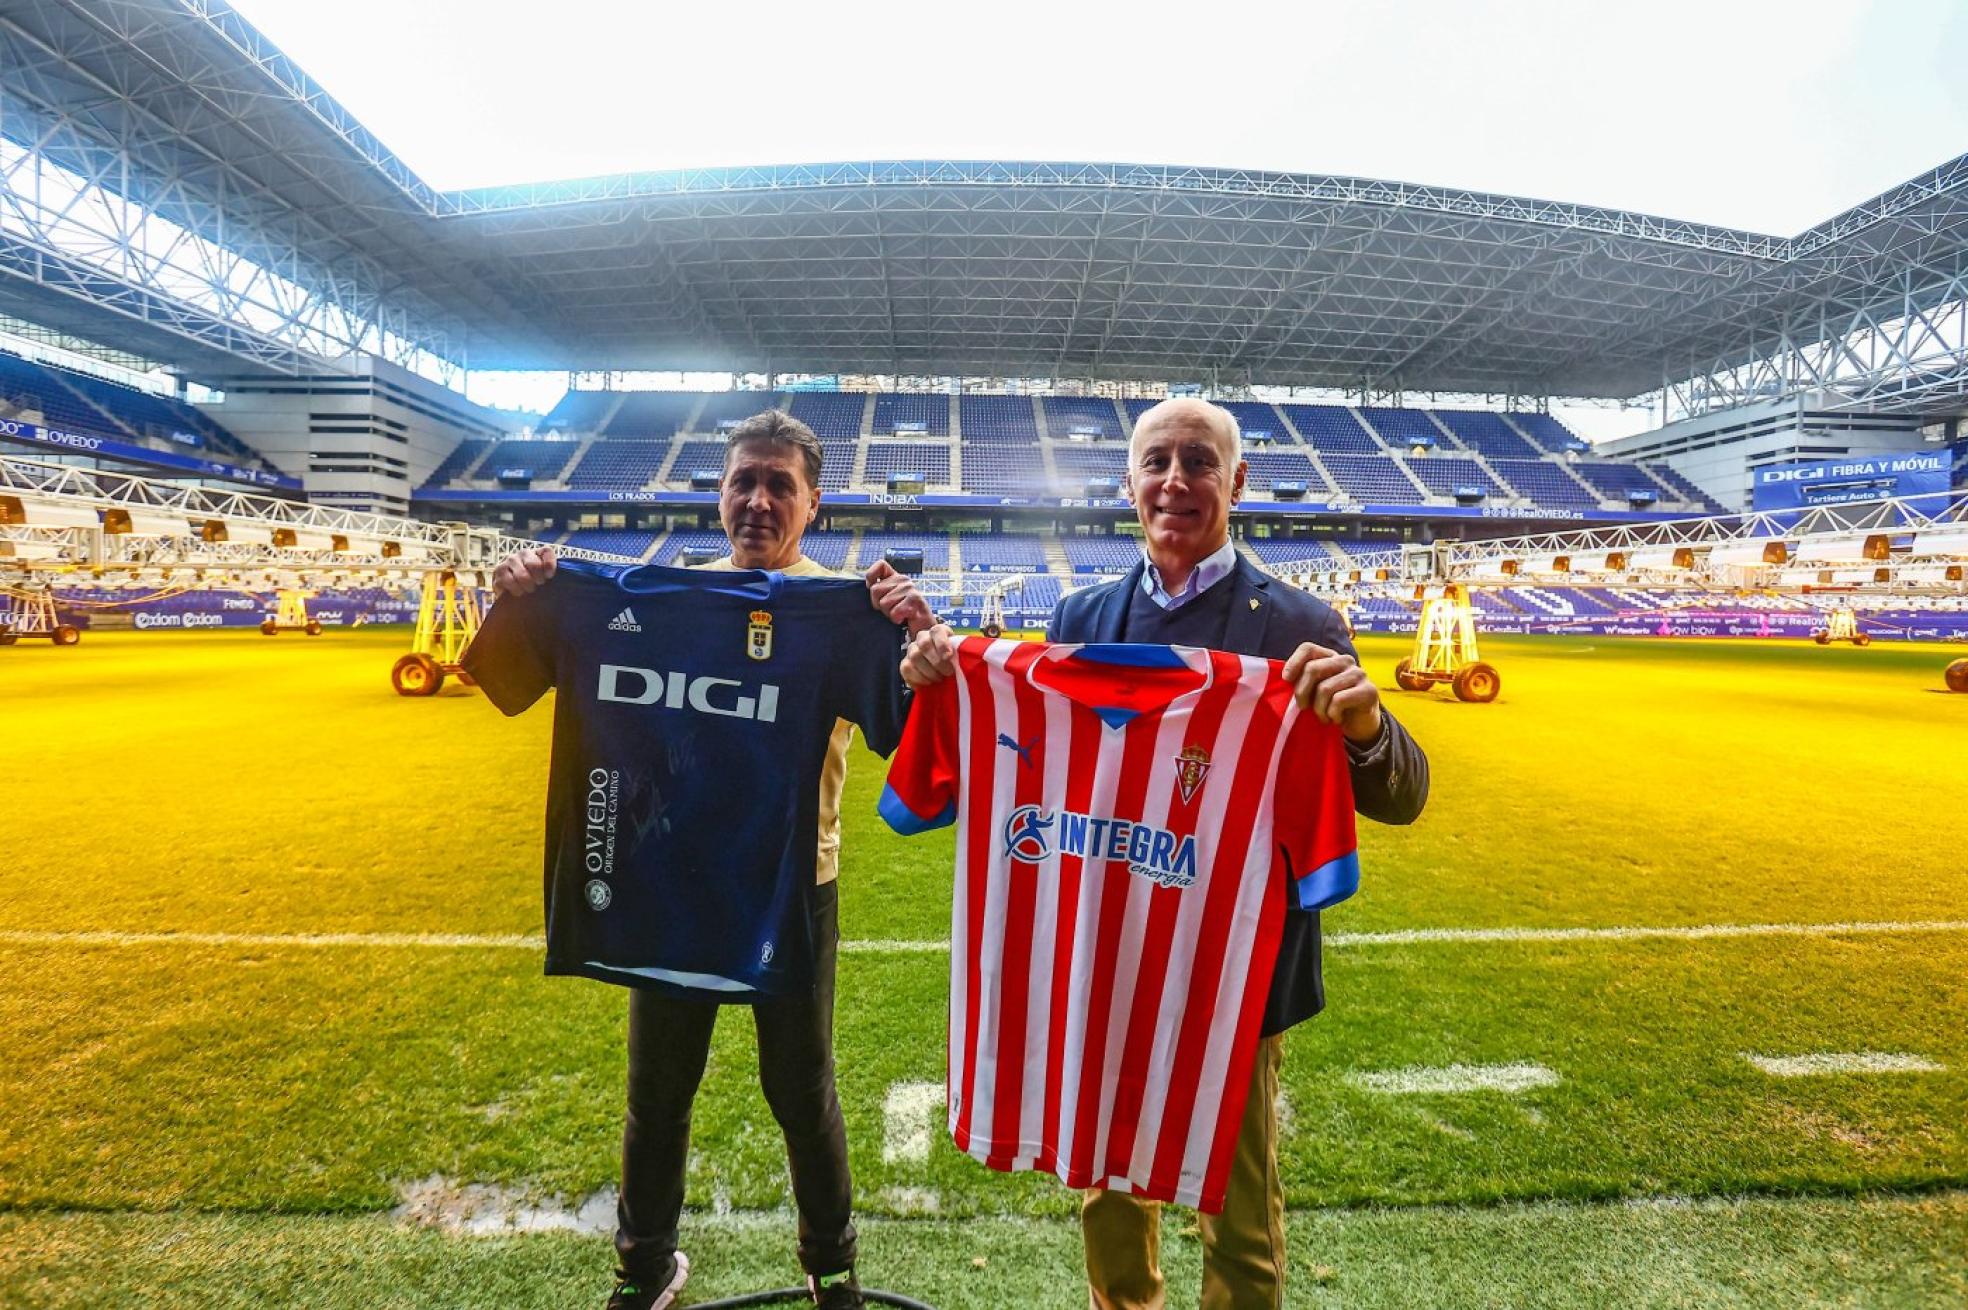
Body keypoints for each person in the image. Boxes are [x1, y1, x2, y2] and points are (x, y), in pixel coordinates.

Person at [900, 397, 1428, 1310]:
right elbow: (1025, 762)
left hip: (1236, 982)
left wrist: (1365, 722)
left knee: (1241, 1222)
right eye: (1157, 463)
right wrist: (944, 686)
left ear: (1238, 482)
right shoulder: (1079, 613)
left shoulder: (1299, 624)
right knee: (1105, 1188)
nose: (1175, 481)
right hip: (1104, 962)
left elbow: (1404, 794)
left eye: (1198, 462)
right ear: (1129, 483)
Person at [493, 409, 935, 1310]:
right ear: (719, 494)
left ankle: (833, 1267)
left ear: (813, 504)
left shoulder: (845, 611)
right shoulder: (653, 598)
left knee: (800, 1091)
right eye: (744, 481)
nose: (759, 501)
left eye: (781, 485)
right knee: (656, 1092)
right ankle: (644, 1268)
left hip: (788, 890)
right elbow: (504, 685)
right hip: (672, 882)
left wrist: (916, 636)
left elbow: (920, 738)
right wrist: (518, 594)